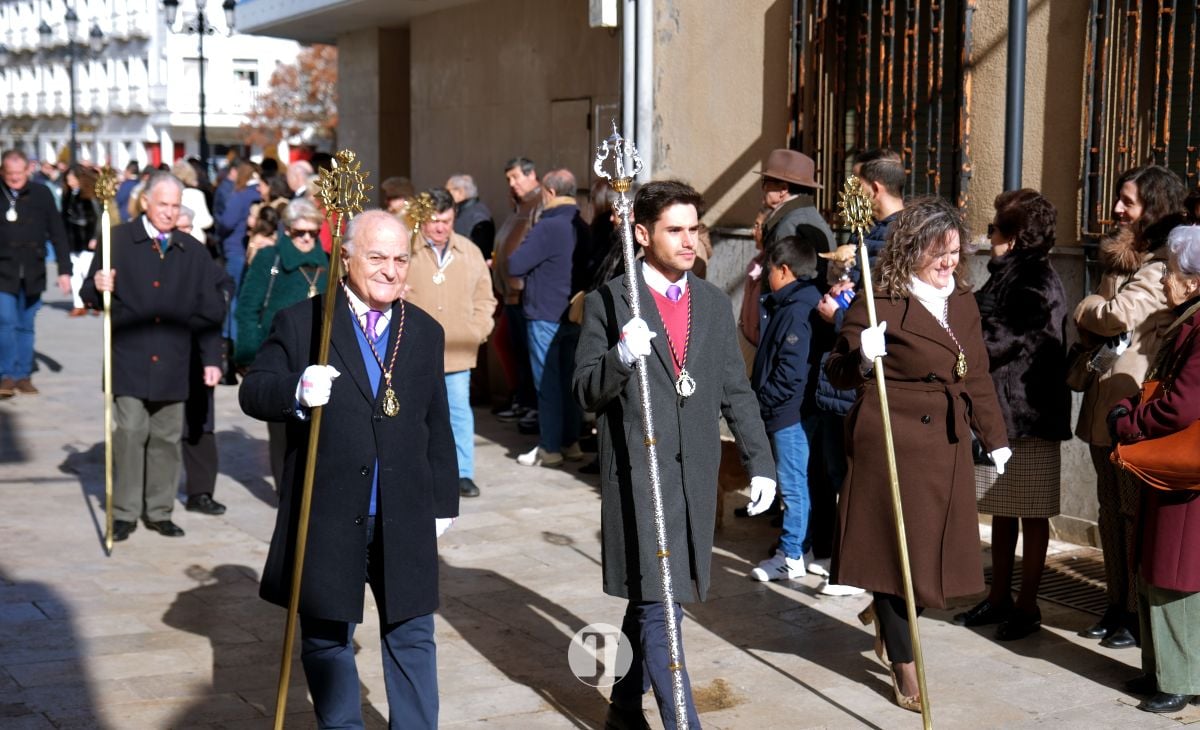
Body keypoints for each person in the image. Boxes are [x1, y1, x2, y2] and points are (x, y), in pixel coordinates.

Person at [239, 210, 459, 729]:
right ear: (347, 257)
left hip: (403, 508)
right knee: (327, 635)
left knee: (412, 632)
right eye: (377, 257)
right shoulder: (304, 322)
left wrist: (443, 500)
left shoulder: (424, 330)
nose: (390, 270)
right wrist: (295, 390)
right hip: (330, 508)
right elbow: (254, 389)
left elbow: (436, 420)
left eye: (400, 258)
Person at [574, 180, 776, 729]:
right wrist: (620, 356)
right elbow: (585, 391)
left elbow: (735, 388)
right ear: (641, 233)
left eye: (695, 229)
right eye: (675, 230)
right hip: (640, 478)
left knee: (657, 597)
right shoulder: (610, 302)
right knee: (663, 606)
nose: (690, 242)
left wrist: (760, 462)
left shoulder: (711, 301)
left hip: (693, 479)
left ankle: (622, 703)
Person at [824, 196, 1009, 711]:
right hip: (890, 437)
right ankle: (904, 665)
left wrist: (996, 439)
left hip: (944, 440)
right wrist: (862, 354)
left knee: (936, 561)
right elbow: (836, 370)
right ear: (912, 249)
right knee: (894, 551)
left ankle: (887, 614)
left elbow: (975, 376)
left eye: (955, 251)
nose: (949, 262)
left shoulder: (964, 300)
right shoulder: (881, 297)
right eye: (939, 251)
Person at [1074, 165, 1186, 649]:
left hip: (1134, 407)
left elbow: (1117, 314)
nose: (1118, 208)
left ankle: (1137, 613)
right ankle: (1115, 605)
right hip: (1106, 399)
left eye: (1129, 201)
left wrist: (1081, 310)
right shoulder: (1121, 258)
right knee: (1108, 512)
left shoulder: (1164, 264)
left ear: (1154, 207)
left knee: (1131, 513)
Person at [80, 172, 227, 541]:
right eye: (163, 204)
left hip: (176, 361)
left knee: (165, 437)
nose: (169, 212)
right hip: (128, 356)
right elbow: (90, 293)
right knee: (129, 433)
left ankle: (159, 509)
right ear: (146, 202)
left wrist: (212, 359)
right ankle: (126, 510)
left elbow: (210, 312)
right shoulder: (118, 240)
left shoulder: (192, 250)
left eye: (175, 206)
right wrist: (98, 287)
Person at [952, 189, 1072, 640]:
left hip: (1030, 418)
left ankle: (1027, 605)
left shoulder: (1034, 281)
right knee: (1003, 511)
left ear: (1017, 237)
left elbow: (998, 340)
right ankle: (998, 596)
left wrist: (958, 347)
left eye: (994, 230)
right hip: (1004, 416)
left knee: (1033, 514)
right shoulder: (1008, 274)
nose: (989, 238)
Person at [1112, 224, 1200, 713]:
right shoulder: (1187, 318)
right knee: (1158, 566)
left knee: (1178, 573)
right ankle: (1161, 671)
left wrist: (1130, 420)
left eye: (1169, 271)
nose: (1163, 279)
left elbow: (1182, 407)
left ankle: (1181, 679)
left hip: (1185, 470)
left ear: (1192, 282)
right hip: (1170, 467)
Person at [405, 188, 497, 498]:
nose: (440, 228)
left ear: (454, 217)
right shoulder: (407, 249)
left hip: (458, 350)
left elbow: (486, 298)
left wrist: (477, 330)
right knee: (414, 414)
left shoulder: (469, 252)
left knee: (458, 411)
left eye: (445, 220)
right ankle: (415, 471)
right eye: (433, 221)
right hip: (412, 352)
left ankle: (462, 473)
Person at [234, 198, 329, 489]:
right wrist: (249, 353)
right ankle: (286, 491)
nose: (306, 239)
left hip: (320, 358)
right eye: (300, 232)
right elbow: (248, 308)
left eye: (312, 233)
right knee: (282, 432)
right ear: (287, 230)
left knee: (321, 430)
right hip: (279, 358)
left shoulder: (328, 260)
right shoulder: (269, 258)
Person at [746, 231, 823, 582]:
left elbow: (790, 372)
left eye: (769, 270)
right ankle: (800, 547)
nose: (766, 277)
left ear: (785, 270)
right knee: (797, 482)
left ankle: (790, 554)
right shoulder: (792, 304)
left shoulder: (797, 310)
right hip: (786, 411)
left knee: (793, 484)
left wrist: (767, 404)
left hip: (788, 413)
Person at [509, 168, 587, 467]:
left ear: (550, 192)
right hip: (573, 314)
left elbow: (515, 264)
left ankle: (550, 447)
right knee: (569, 382)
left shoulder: (549, 225)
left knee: (548, 383)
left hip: (545, 313)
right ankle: (571, 442)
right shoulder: (581, 223)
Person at [0, 149, 71, 398]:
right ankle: (6, 374)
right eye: (10, 174)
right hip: (3, 270)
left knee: (26, 324)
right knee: (6, 320)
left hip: (33, 269)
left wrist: (65, 270)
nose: (15, 179)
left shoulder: (41, 193)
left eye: (19, 174)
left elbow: (58, 232)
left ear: (28, 170)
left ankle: (23, 375)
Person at [492, 157, 542, 430]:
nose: (512, 184)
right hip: (510, 292)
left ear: (531, 174)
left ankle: (532, 406)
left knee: (528, 353)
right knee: (515, 349)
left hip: (525, 293)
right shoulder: (520, 205)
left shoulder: (540, 201)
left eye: (515, 178)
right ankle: (523, 401)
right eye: (508, 179)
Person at [756, 148, 835, 253]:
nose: (763, 188)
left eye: (765, 182)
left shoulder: (790, 224)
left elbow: (782, 268)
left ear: (783, 189)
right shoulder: (804, 215)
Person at [62, 165, 100, 318]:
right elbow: (64, 217)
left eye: (72, 178)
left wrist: (96, 237)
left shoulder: (90, 195)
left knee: (88, 272)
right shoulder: (68, 195)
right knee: (75, 273)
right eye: (68, 179)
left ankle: (95, 302)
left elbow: (99, 218)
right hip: (72, 239)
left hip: (88, 238)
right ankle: (78, 304)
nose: (70, 182)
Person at [446, 174, 495, 259]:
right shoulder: (465, 212)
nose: (446, 196)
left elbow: (480, 250)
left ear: (460, 192)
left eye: (448, 191)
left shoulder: (478, 216)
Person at [171, 161, 213, 236]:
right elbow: (206, 221)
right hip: (195, 237)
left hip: (174, 236)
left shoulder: (170, 193)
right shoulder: (196, 194)